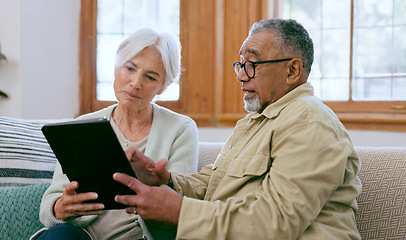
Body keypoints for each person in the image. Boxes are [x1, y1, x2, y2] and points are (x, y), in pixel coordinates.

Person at [112, 18, 362, 240]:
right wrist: (166, 180)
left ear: (292, 70)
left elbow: (277, 223)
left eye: (252, 64)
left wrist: (180, 212)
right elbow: (214, 183)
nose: (241, 76)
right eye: (240, 64)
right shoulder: (256, 120)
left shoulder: (309, 121)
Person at [31, 28, 199, 240]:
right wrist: (59, 208)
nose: (136, 83)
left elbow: (178, 207)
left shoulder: (181, 129)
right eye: (130, 68)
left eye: (150, 77)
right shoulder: (82, 125)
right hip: (80, 235)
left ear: (162, 87)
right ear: (116, 67)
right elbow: (49, 206)